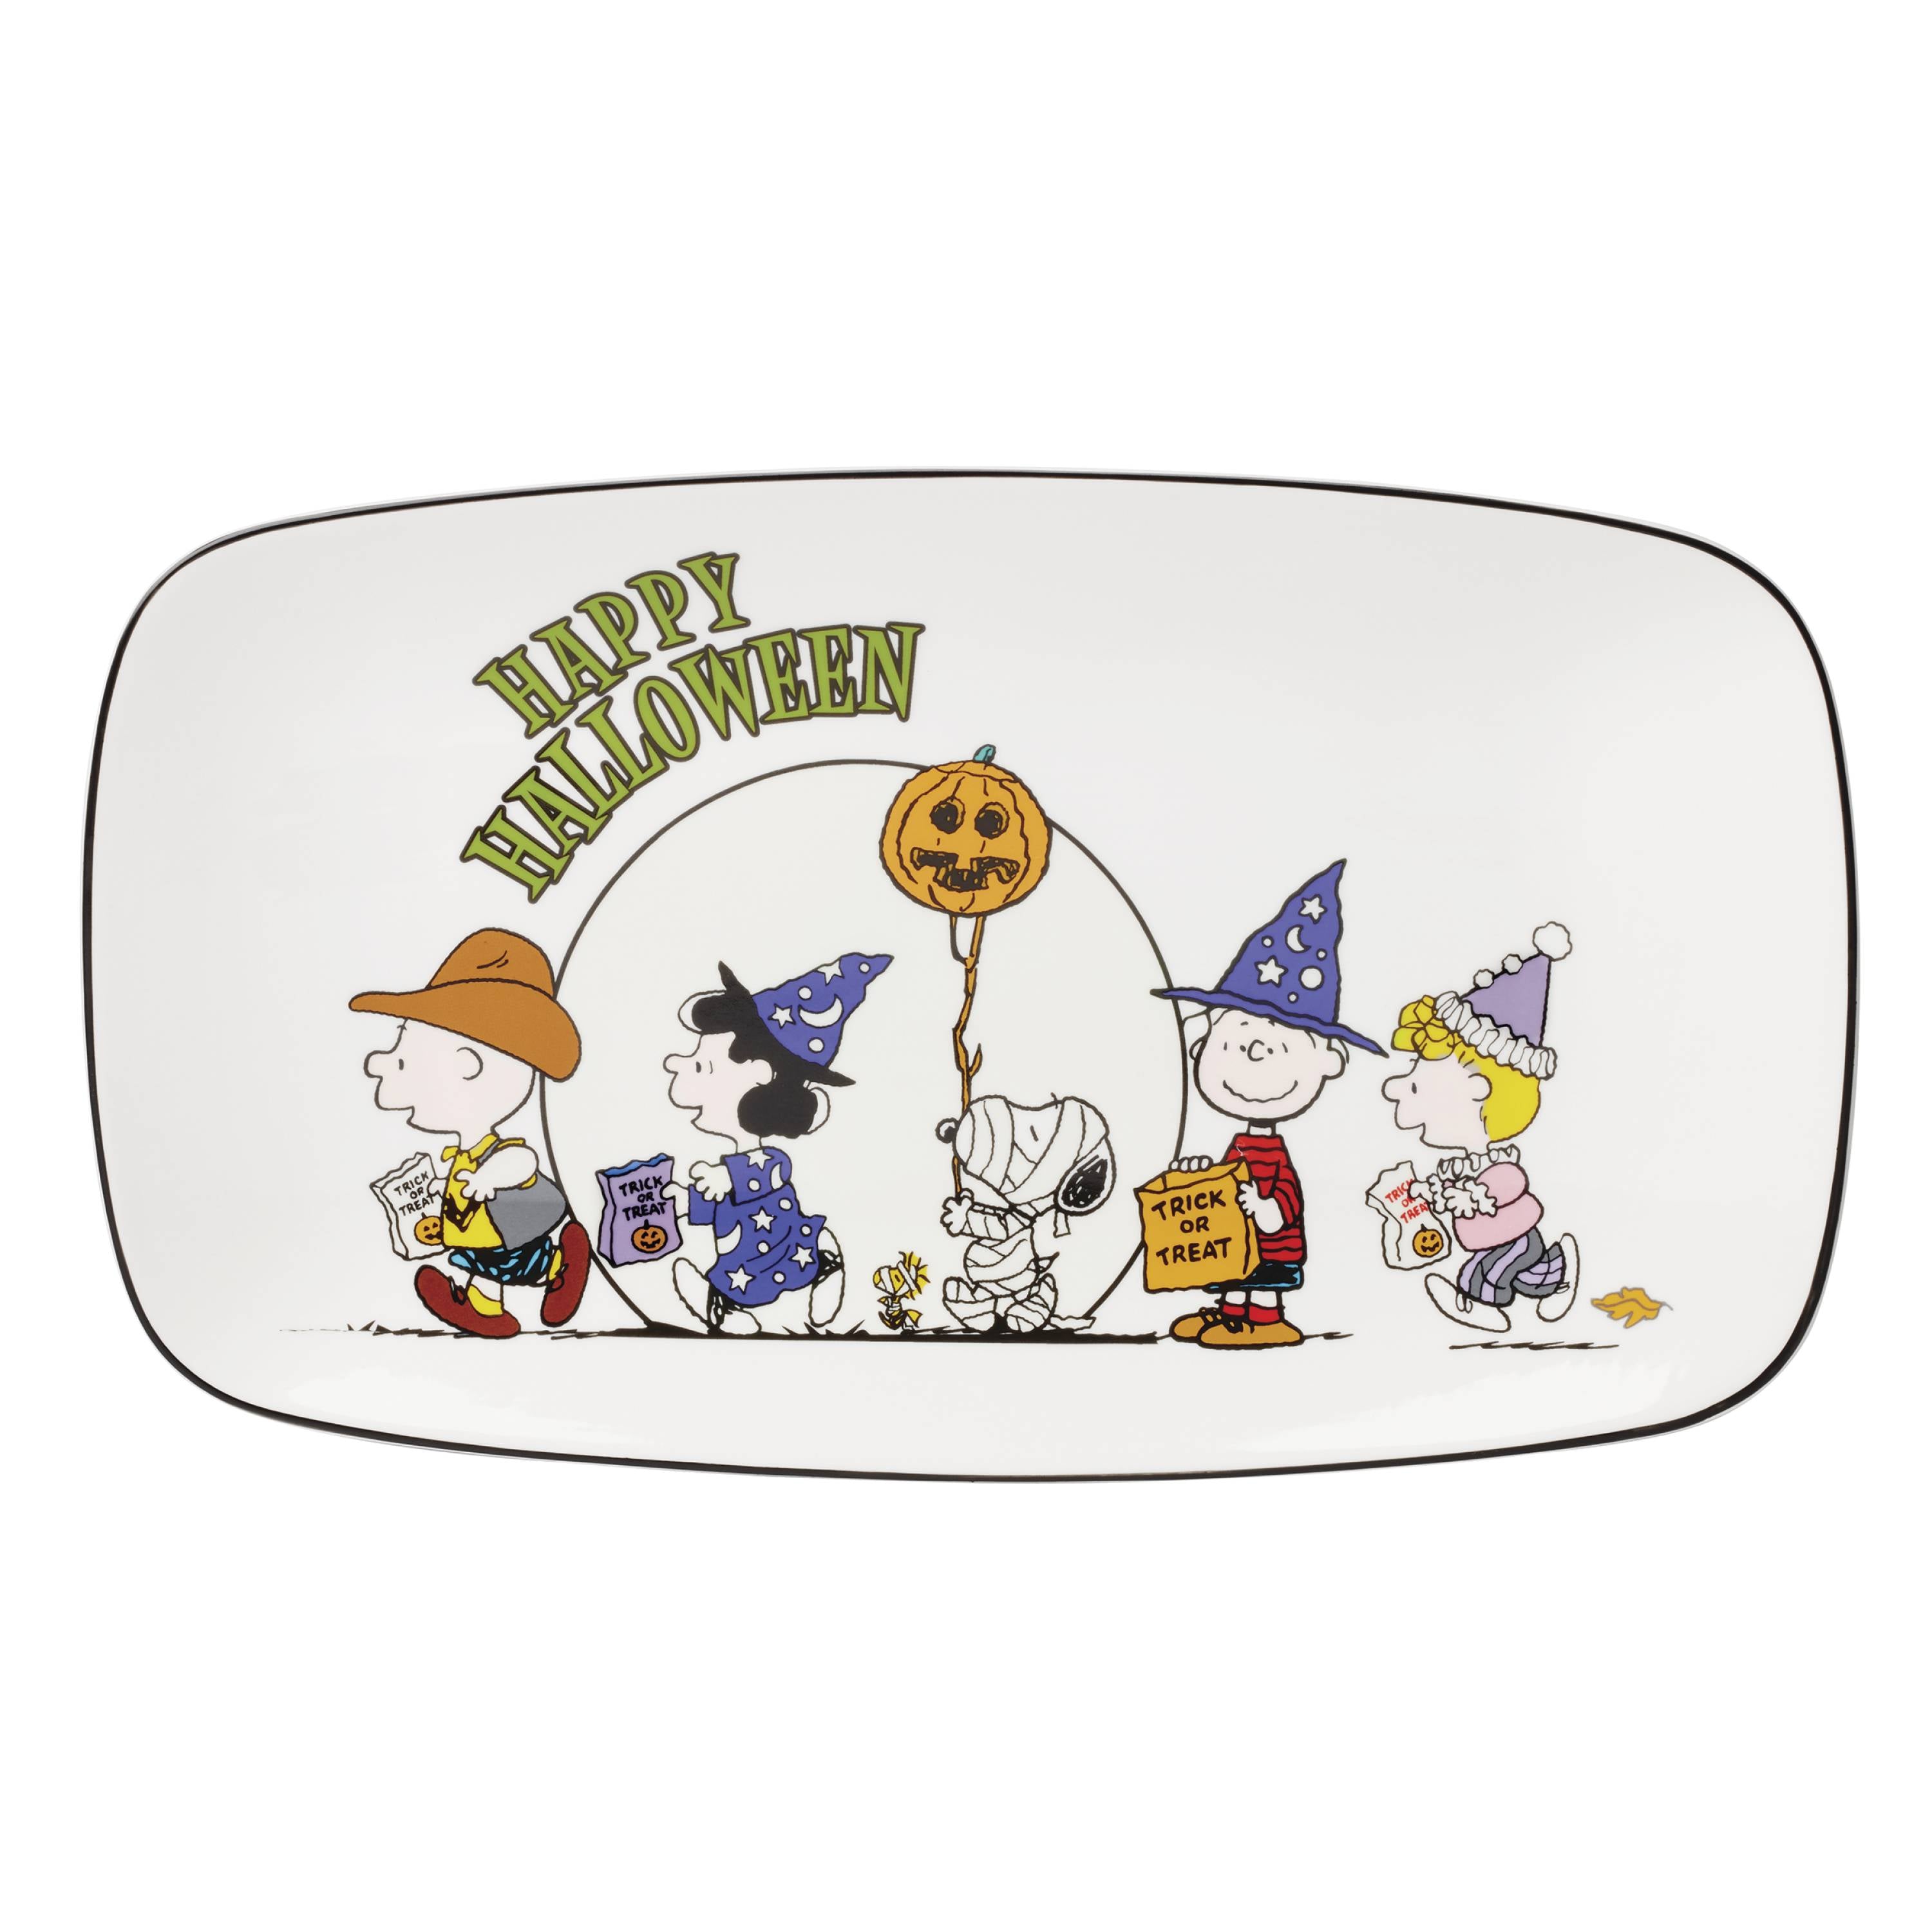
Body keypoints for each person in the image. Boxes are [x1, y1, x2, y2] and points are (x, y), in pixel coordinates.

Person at [1151, 860, 1384, 1348]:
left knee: (1261, 1278)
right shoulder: (1241, 1143)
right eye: (1233, 1041)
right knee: (1236, 1273)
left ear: (1327, 1062)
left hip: (1271, 1241)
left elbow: (1287, 1199)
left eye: (1275, 1046)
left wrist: (1264, 1207)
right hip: (1239, 1239)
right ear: (1202, 1046)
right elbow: (1228, 1181)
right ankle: (1231, 1312)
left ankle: (1265, 1319)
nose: (1252, 1054)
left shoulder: (1273, 1153)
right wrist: (1198, 1178)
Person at [352, 929, 590, 1339]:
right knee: (485, 1268)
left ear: (468, 1066)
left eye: (405, 1061)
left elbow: (524, 1161)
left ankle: (560, 1266)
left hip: (504, 1234)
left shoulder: (495, 1152)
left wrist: (488, 1179)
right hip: (478, 1235)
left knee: (516, 1265)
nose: (377, 1065)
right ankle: (485, 1310)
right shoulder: (460, 1153)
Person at [661, 951, 891, 1336]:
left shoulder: (767, 1161)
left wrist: (725, 1178)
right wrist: (688, 1202)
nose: (674, 1063)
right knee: (738, 1282)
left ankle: (826, 1264)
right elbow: (718, 1200)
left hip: (785, 1243)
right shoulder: (730, 1168)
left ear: (758, 1074)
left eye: (703, 1066)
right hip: (742, 1259)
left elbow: (768, 1171)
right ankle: (725, 1307)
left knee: (803, 1257)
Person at [1381, 923, 1580, 1333]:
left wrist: (1471, 1195)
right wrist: (1429, 1193)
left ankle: (1476, 1303)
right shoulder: (1465, 1164)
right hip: (1494, 1236)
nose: (1394, 1089)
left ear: (1478, 1090)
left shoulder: (1498, 1163)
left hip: (1515, 1237)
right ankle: (1559, 1274)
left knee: (1484, 1272)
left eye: (1418, 1084)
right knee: (1531, 1277)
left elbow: (1507, 1183)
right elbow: (1456, 1189)